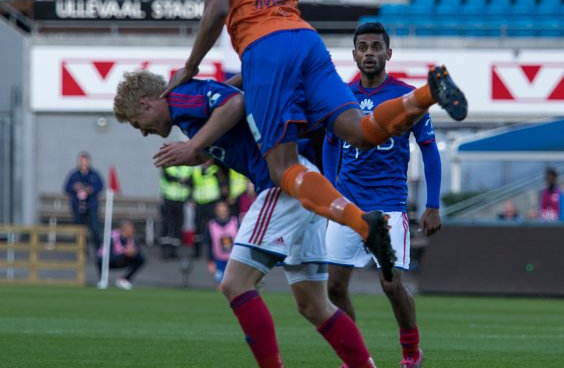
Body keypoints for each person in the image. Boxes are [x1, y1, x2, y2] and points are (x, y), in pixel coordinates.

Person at [163, 0, 468, 282]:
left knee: (281, 167)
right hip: (307, 41)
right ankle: (427, 93)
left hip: (265, 49)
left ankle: (362, 223)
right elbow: (276, 41)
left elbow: (217, 7)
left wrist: (191, 66)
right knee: (360, 130)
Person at [114, 70, 378, 368]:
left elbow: (235, 103)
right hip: (301, 180)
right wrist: (198, 153)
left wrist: (194, 146)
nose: (143, 132)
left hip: (281, 183)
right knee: (313, 304)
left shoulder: (181, 97)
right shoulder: (187, 115)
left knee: (235, 283)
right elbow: (231, 131)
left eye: (138, 124)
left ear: (146, 104)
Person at [324, 22, 442, 368]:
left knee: (391, 285)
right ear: (354, 54)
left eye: (376, 47)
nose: (369, 53)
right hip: (347, 206)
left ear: (388, 53)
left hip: (388, 206)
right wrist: (331, 191)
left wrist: (432, 204)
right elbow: (331, 145)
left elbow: (430, 151)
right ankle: (357, 358)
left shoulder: (407, 97)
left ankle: (411, 351)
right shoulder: (340, 96)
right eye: (363, 47)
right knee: (333, 288)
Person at [63, 151, 104, 251]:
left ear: (89, 162)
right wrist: (74, 187)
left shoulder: (94, 174)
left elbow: (100, 186)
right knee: (80, 231)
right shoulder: (74, 175)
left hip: (91, 206)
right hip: (78, 206)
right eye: (81, 161)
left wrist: (91, 189)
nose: (83, 163)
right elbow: (66, 188)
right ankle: (82, 251)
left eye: (85, 161)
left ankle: (99, 251)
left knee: (95, 229)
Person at [98, 220, 146, 289]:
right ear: (124, 229)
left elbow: (137, 250)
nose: (133, 230)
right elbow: (106, 254)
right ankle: (102, 280)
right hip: (110, 260)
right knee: (100, 260)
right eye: (131, 229)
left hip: (123, 259)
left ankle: (124, 279)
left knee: (141, 259)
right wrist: (124, 252)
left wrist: (134, 252)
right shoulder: (112, 237)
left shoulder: (133, 239)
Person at [192, 160, 225, 258]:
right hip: (199, 202)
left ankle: (214, 250)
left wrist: (220, 201)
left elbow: (222, 186)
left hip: (212, 202)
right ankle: (197, 251)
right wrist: (192, 199)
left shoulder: (215, 170)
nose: (206, 162)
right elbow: (192, 185)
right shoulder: (196, 171)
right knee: (197, 226)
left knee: (213, 226)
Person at [159, 164, 192, 259]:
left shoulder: (187, 168)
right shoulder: (168, 166)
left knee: (178, 225)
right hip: (168, 199)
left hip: (181, 201)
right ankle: (164, 250)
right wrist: (181, 180)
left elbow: (190, 181)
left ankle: (174, 250)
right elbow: (169, 178)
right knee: (167, 224)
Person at [207, 200, 239, 287]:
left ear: (228, 211)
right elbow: (209, 245)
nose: (222, 213)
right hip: (219, 261)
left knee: (234, 285)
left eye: (224, 211)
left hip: (234, 260)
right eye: (220, 211)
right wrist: (210, 261)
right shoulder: (211, 225)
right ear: (216, 212)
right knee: (220, 285)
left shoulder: (235, 222)